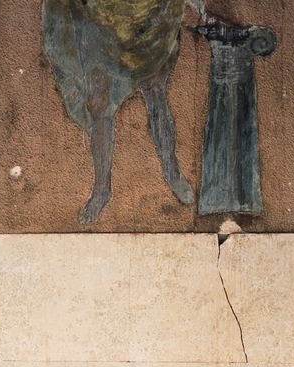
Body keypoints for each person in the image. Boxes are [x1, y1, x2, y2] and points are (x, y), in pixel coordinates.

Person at [42, 0, 208, 224]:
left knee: (156, 94)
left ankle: (173, 174)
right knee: (98, 105)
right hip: (99, 21)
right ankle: (101, 190)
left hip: (148, 18)